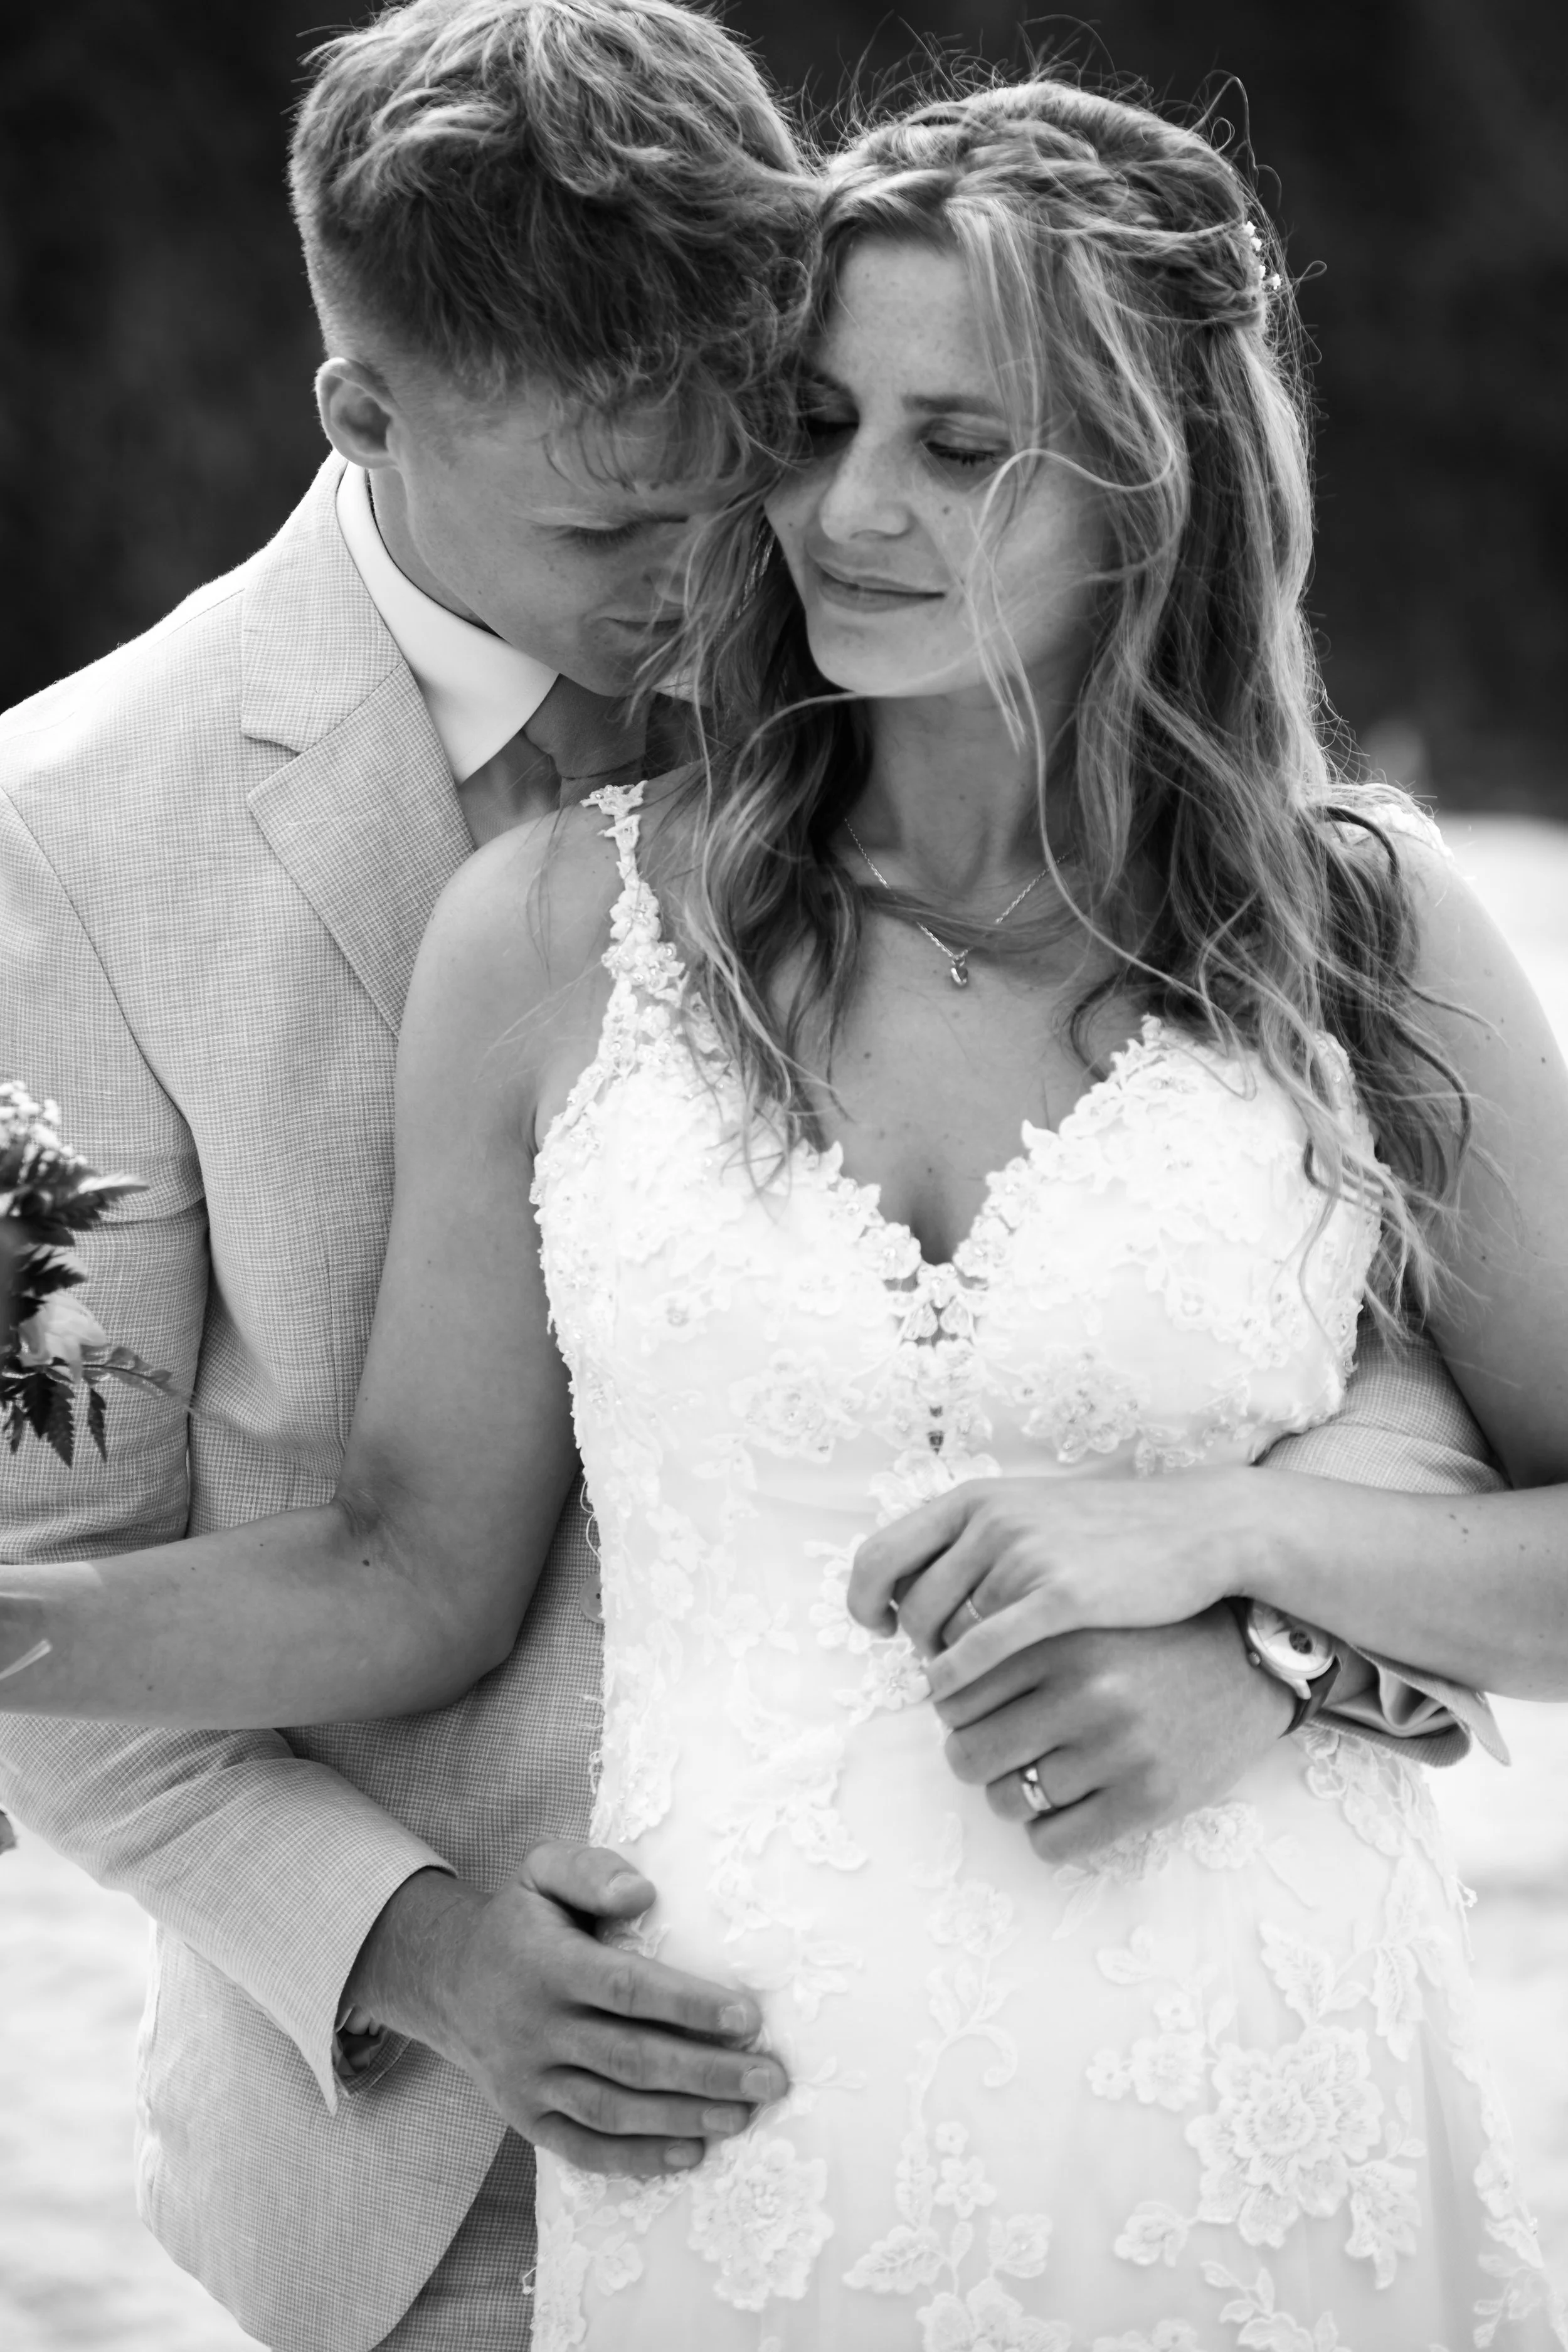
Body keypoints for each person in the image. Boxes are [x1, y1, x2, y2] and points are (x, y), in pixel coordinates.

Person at [0, 26, 1544, 2352]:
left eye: (939, 444)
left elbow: (1390, 1367)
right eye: (802, 440)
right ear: (368, 420)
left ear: (1143, 483)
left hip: (1232, 2086)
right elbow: (326, 1566)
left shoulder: (1330, 912)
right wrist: (395, 1926)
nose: (807, 527)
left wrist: (1262, 1601)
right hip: (581, 2145)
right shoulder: (236, 870)